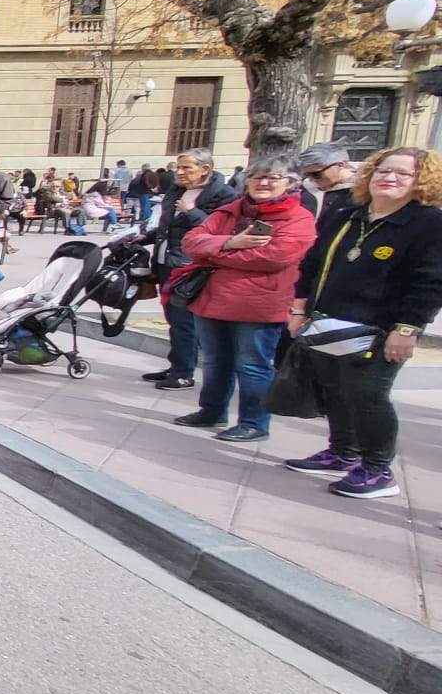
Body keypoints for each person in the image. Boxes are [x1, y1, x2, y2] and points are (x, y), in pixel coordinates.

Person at [286, 147, 442, 499]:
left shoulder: (429, 223)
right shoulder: (347, 214)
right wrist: (299, 309)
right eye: (383, 170)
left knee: (368, 396)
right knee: (335, 391)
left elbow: (430, 282)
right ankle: (342, 451)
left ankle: (377, 470)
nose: (390, 178)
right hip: (329, 322)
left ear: (421, 181)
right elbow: (313, 264)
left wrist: (407, 329)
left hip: (380, 329)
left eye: (404, 174)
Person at [167, 155, 316, 443]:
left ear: (290, 183)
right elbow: (192, 241)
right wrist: (230, 243)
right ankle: (211, 411)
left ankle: (254, 422)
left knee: (252, 364)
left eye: (272, 177)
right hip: (212, 299)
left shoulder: (298, 217)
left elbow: (275, 256)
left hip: (258, 304)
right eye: (257, 176)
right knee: (214, 361)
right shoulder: (231, 210)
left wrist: (215, 253)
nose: (263, 182)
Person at [139, 149, 238, 390]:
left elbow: (220, 231)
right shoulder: (175, 190)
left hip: (191, 267)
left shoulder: (224, 195)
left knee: (185, 322)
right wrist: (143, 238)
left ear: (205, 169)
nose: (179, 172)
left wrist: (191, 210)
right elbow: (167, 226)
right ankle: (176, 365)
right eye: (178, 167)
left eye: (186, 168)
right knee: (174, 320)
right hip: (166, 262)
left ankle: (184, 373)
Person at [297, 143, 356, 230]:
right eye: (306, 174)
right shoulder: (303, 189)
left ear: (340, 165)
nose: (310, 179)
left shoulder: (365, 191)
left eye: (316, 174)